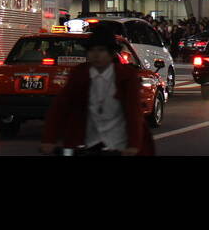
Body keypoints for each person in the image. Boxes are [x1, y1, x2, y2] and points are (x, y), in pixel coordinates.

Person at [39, 27, 153, 155]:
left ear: (111, 53)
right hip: (86, 143)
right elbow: (60, 107)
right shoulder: (80, 74)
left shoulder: (126, 76)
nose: (96, 55)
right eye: (92, 50)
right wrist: (49, 139)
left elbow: (133, 112)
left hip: (120, 143)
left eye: (101, 50)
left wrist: (133, 145)